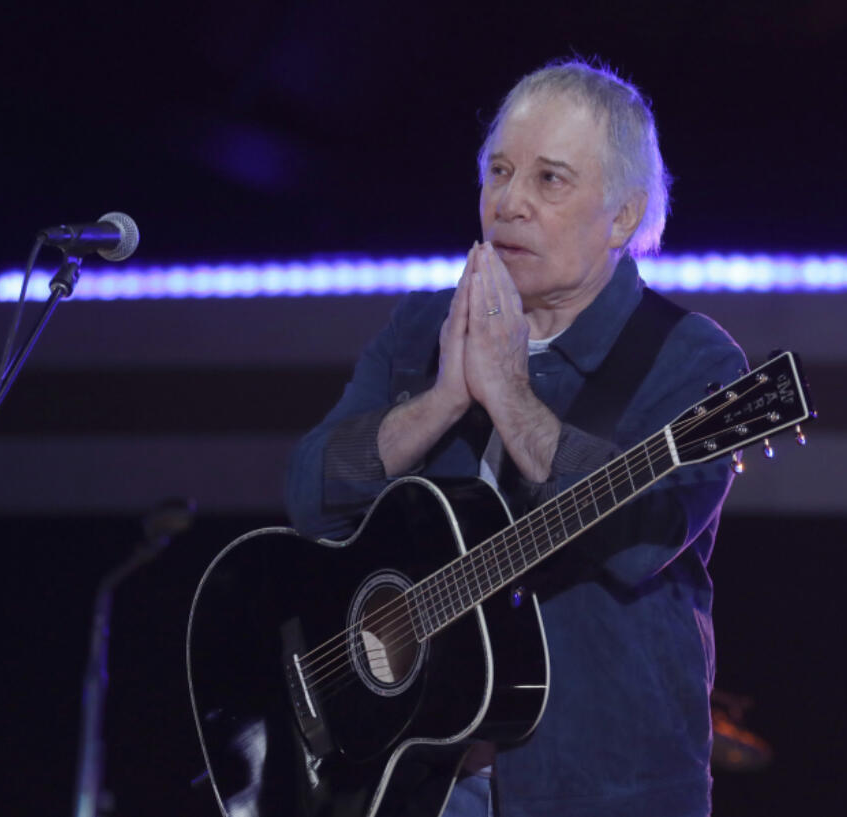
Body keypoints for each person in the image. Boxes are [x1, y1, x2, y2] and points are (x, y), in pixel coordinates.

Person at [286, 59, 746, 817]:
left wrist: (508, 393)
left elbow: (637, 540)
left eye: (549, 180)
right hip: (410, 781)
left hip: (600, 789)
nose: (508, 203)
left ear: (623, 218)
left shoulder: (691, 358)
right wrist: (440, 402)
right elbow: (310, 496)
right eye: (497, 172)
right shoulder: (419, 327)